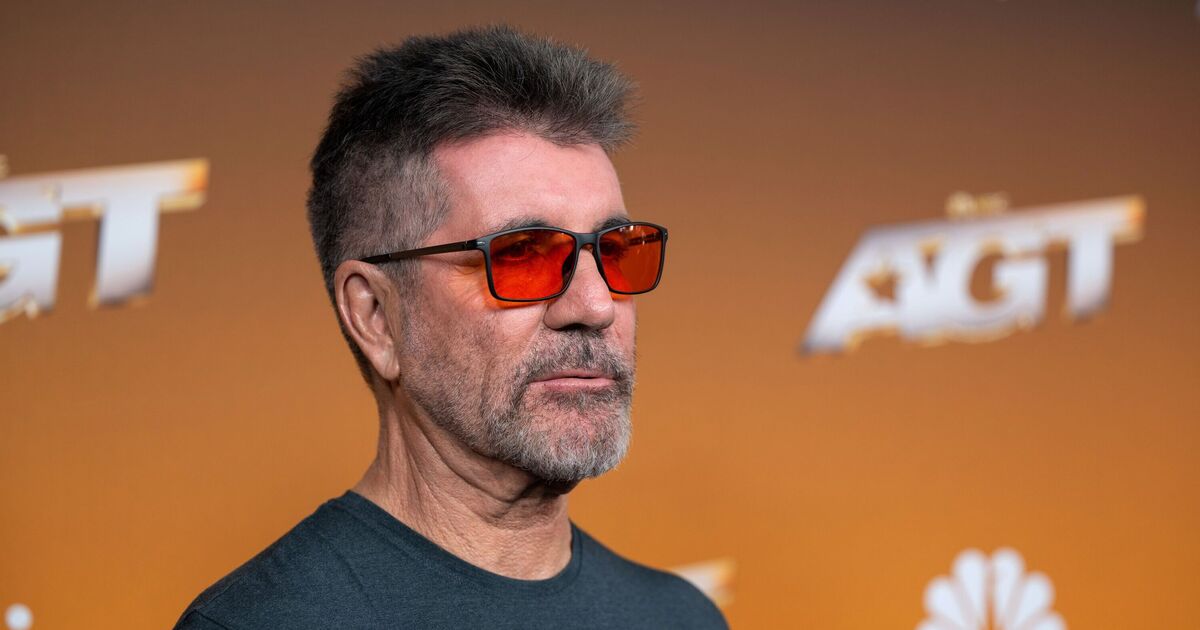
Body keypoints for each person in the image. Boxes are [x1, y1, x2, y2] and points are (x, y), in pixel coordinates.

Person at [174, 25, 727, 629]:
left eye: (616, 249)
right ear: (375, 316)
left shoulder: (682, 618)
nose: (595, 306)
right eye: (522, 254)